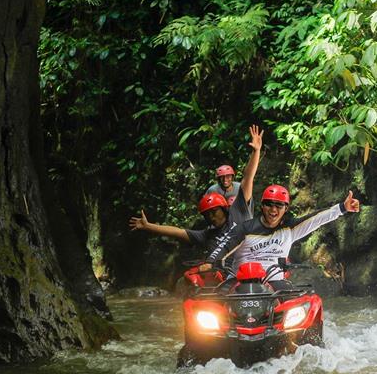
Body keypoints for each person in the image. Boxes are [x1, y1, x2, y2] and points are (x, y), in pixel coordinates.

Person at [128, 124, 263, 256]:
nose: (211, 217)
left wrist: (256, 151)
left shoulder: (237, 212)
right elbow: (178, 232)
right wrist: (148, 226)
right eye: (207, 215)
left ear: (224, 209)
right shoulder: (206, 234)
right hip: (226, 268)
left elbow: (248, 177)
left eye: (214, 212)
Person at [201, 185, 360, 290]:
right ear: (262, 206)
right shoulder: (245, 228)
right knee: (214, 304)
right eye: (269, 204)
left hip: (275, 282)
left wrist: (343, 208)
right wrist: (210, 262)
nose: (273, 210)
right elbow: (225, 246)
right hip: (239, 281)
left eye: (279, 205)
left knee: (301, 308)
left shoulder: (289, 229)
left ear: (286, 208)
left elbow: (316, 219)